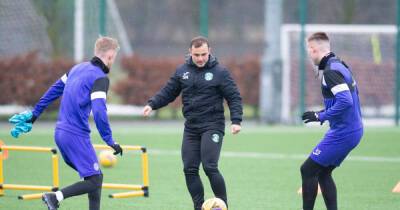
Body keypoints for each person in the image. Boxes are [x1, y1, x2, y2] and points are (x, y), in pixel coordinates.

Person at [12, 36, 123, 210]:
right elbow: (100, 112)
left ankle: (57, 198)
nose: (113, 62)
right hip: (75, 135)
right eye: (113, 58)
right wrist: (109, 140)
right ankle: (54, 197)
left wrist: (34, 115)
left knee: (94, 179)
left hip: (60, 133)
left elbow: (52, 91)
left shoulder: (76, 69)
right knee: (95, 180)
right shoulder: (100, 78)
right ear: (109, 56)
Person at [143, 36, 243, 210]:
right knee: (189, 169)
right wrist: (152, 104)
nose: (200, 58)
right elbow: (168, 92)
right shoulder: (182, 71)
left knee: (210, 166)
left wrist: (236, 120)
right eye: (196, 55)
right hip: (191, 127)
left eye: (203, 54)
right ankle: (199, 207)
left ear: (209, 51)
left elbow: (233, 97)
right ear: (190, 53)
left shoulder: (220, 72)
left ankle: (223, 206)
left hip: (213, 125)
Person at [300, 32, 363, 210]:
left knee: (308, 170)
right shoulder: (339, 64)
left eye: (308, 50)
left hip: (344, 132)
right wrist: (323, 113)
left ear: (313, 50)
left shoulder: (330, 72)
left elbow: (346, 101)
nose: (308, 55)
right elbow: (349, 99)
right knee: (323, 173)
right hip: (351, 129)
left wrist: (321, 116)